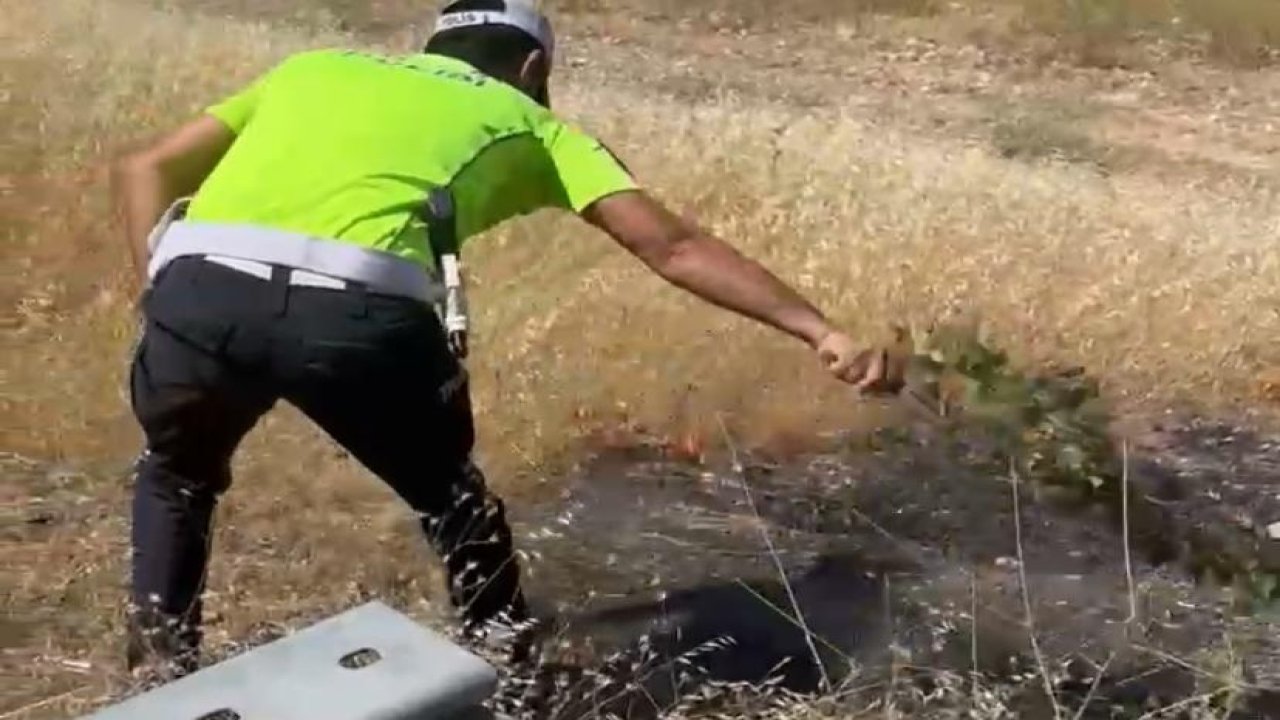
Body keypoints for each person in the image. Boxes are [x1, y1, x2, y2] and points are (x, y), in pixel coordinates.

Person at [110, 0, 905, 679]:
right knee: (455, 503)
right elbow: (673, 248)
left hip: (195, 287)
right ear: (531, 69)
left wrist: (163, 281)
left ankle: (159, 669)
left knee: (177, 475)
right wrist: (819, 330)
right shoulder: (533, 123)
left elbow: (144, 165)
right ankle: (507, 673)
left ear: (433, 46)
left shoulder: (312, 69)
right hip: (358, 313)